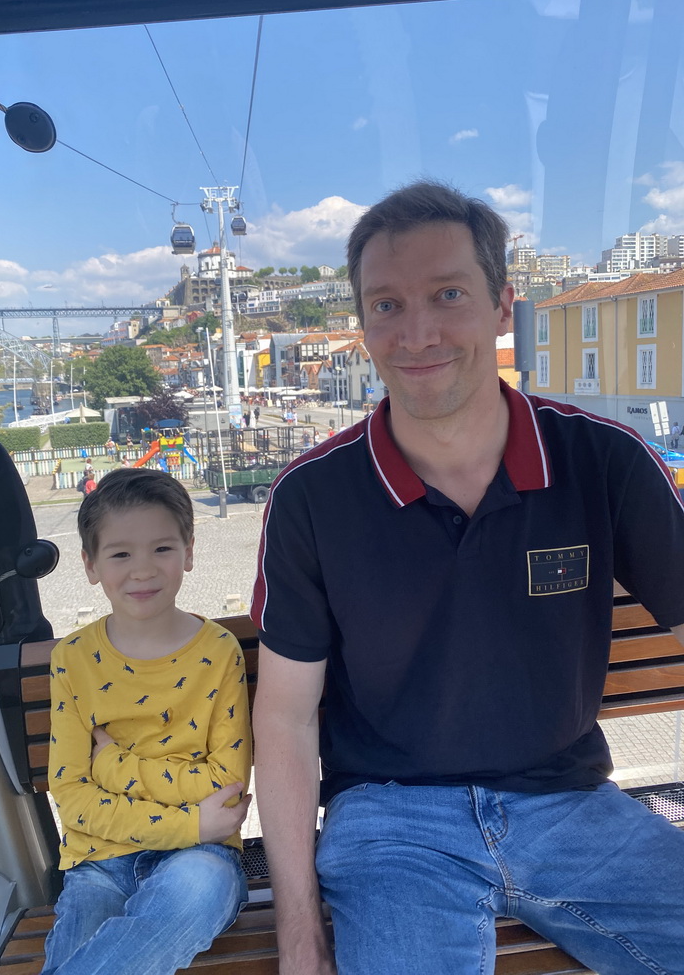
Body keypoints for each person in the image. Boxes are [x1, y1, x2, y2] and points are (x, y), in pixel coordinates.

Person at [251, 180, 684, 975]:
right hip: (389, 822)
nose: (417, 332)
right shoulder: (314, 497)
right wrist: (299, 934)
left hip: (573, 806)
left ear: (502, 306)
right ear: (362, 324)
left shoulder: (601, 460)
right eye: (385, 304)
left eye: (448, 294)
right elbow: (284, 719)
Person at [43, 468, 252, 975]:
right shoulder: (72, 659)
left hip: (202, 861)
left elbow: (224, 787)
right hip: (100, 864)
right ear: (90, 566)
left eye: (162, 549)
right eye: (120, 554)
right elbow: (72, 794)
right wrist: (190, 819)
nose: (142, 571)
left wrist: (112, 765)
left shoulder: (220, 652)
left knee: (197, 890)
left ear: (189, 552)